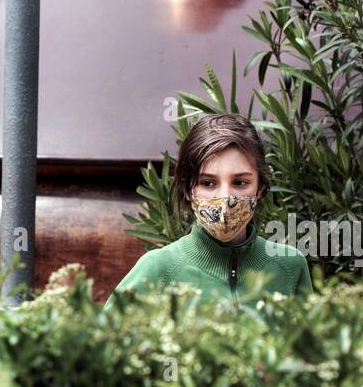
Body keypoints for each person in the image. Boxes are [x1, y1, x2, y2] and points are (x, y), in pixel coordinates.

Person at [104, 113, 314, 309]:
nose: (225, 197)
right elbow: (100, 343)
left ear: (259, 188)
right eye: (208, 183)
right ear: (188, 189)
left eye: (240, 182)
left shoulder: (290, 267)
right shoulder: (158, 268)